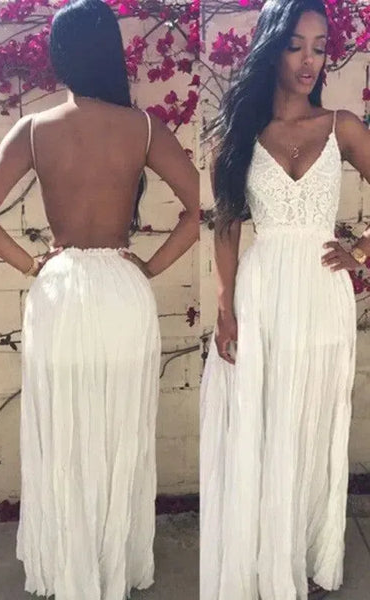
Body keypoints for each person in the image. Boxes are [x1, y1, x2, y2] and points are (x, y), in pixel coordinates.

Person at [0, 1, 198, 598]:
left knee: (64, 429)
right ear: (111, 52)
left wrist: (30, 263)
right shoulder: (144, 128)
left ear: (59, 56)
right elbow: (197, 209)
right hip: (121, 291)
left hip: (60, 291)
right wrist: (149, 266)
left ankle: (69, 565)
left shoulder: (34, 129)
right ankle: (110, 564)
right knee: (117, 427)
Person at [200, 0, 370, 598]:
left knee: (312, 421)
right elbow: (226, 229)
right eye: (296, 44)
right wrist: (225, 311)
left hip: (321, 295)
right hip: (262, 294)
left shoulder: (342, 127)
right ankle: (264, 556)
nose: (308, 60)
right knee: (263, 419)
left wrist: (362, 252)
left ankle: (302, 552)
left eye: (319, 48)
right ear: (272, 47)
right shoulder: (236, 137)